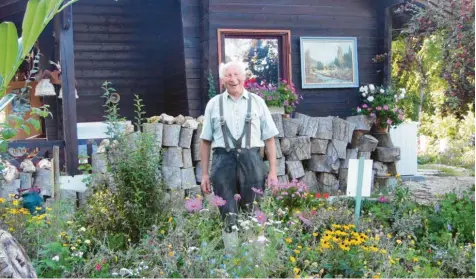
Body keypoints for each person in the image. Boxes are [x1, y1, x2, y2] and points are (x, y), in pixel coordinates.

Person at [200, 61, 279, 250]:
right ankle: (232, 257)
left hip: (252, 160)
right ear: (222, 79)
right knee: (227, 209)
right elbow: (205, 141)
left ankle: (256, 256)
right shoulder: (214, 104)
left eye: (236, 74)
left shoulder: (258, 102)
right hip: (222, 162)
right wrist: (204, 174)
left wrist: (273, 172)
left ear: (244, 78)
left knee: (254, 209)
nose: (233, 79)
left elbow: (269, 139)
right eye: (228, 75)